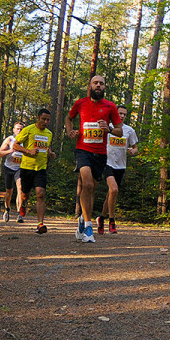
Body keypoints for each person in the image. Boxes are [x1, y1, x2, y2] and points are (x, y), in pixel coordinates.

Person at [66, 75, 122, 243]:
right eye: (95, 83)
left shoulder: (110, 107)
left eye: (101, 83)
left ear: (104, 87)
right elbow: (69, 118)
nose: (98, 85)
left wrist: (109, 128)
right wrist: (70, 131)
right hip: (83, 150)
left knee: (92, 188)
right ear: (90, 86)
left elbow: (119, 131)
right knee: (87, 184)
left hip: (100, 154)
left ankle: (83, 219)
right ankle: (89, 227)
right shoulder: (80, 103)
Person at [97, 105, 139, 234]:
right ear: (115, 113)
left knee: (112, 193)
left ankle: (101, 218)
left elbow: (136, 148)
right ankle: (112, 220)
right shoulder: (107, 127)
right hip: (107, 163)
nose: (122, 116)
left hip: (121, 165)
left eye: (124, 114)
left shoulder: (129, 131)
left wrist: (133, 151)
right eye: (120, 113)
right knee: (114, 189)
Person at [14, 109, 56, 235]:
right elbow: (15, 145)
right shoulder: (29, 129)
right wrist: (29, 151)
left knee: (40, 194)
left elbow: (47, 147)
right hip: (27, 167)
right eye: (44, 119)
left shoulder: (49, 133)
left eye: (48, 120)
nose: (46, 122)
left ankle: (40, 224)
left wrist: (51, 153)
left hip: (41, 168)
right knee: (25, 194)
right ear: (38, 118)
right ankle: (23, 204)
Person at [0, 122, 25, 223]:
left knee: (20, 188)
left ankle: (19, 213)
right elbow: (0, 153)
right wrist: (10, 151)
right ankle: (7, 209)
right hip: (8, 168)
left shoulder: (25, 141)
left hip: (20, 168)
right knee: (9, 192)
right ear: (13, 130)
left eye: (21, 129)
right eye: (18, 129)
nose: (19, 131)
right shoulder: (9, 139)